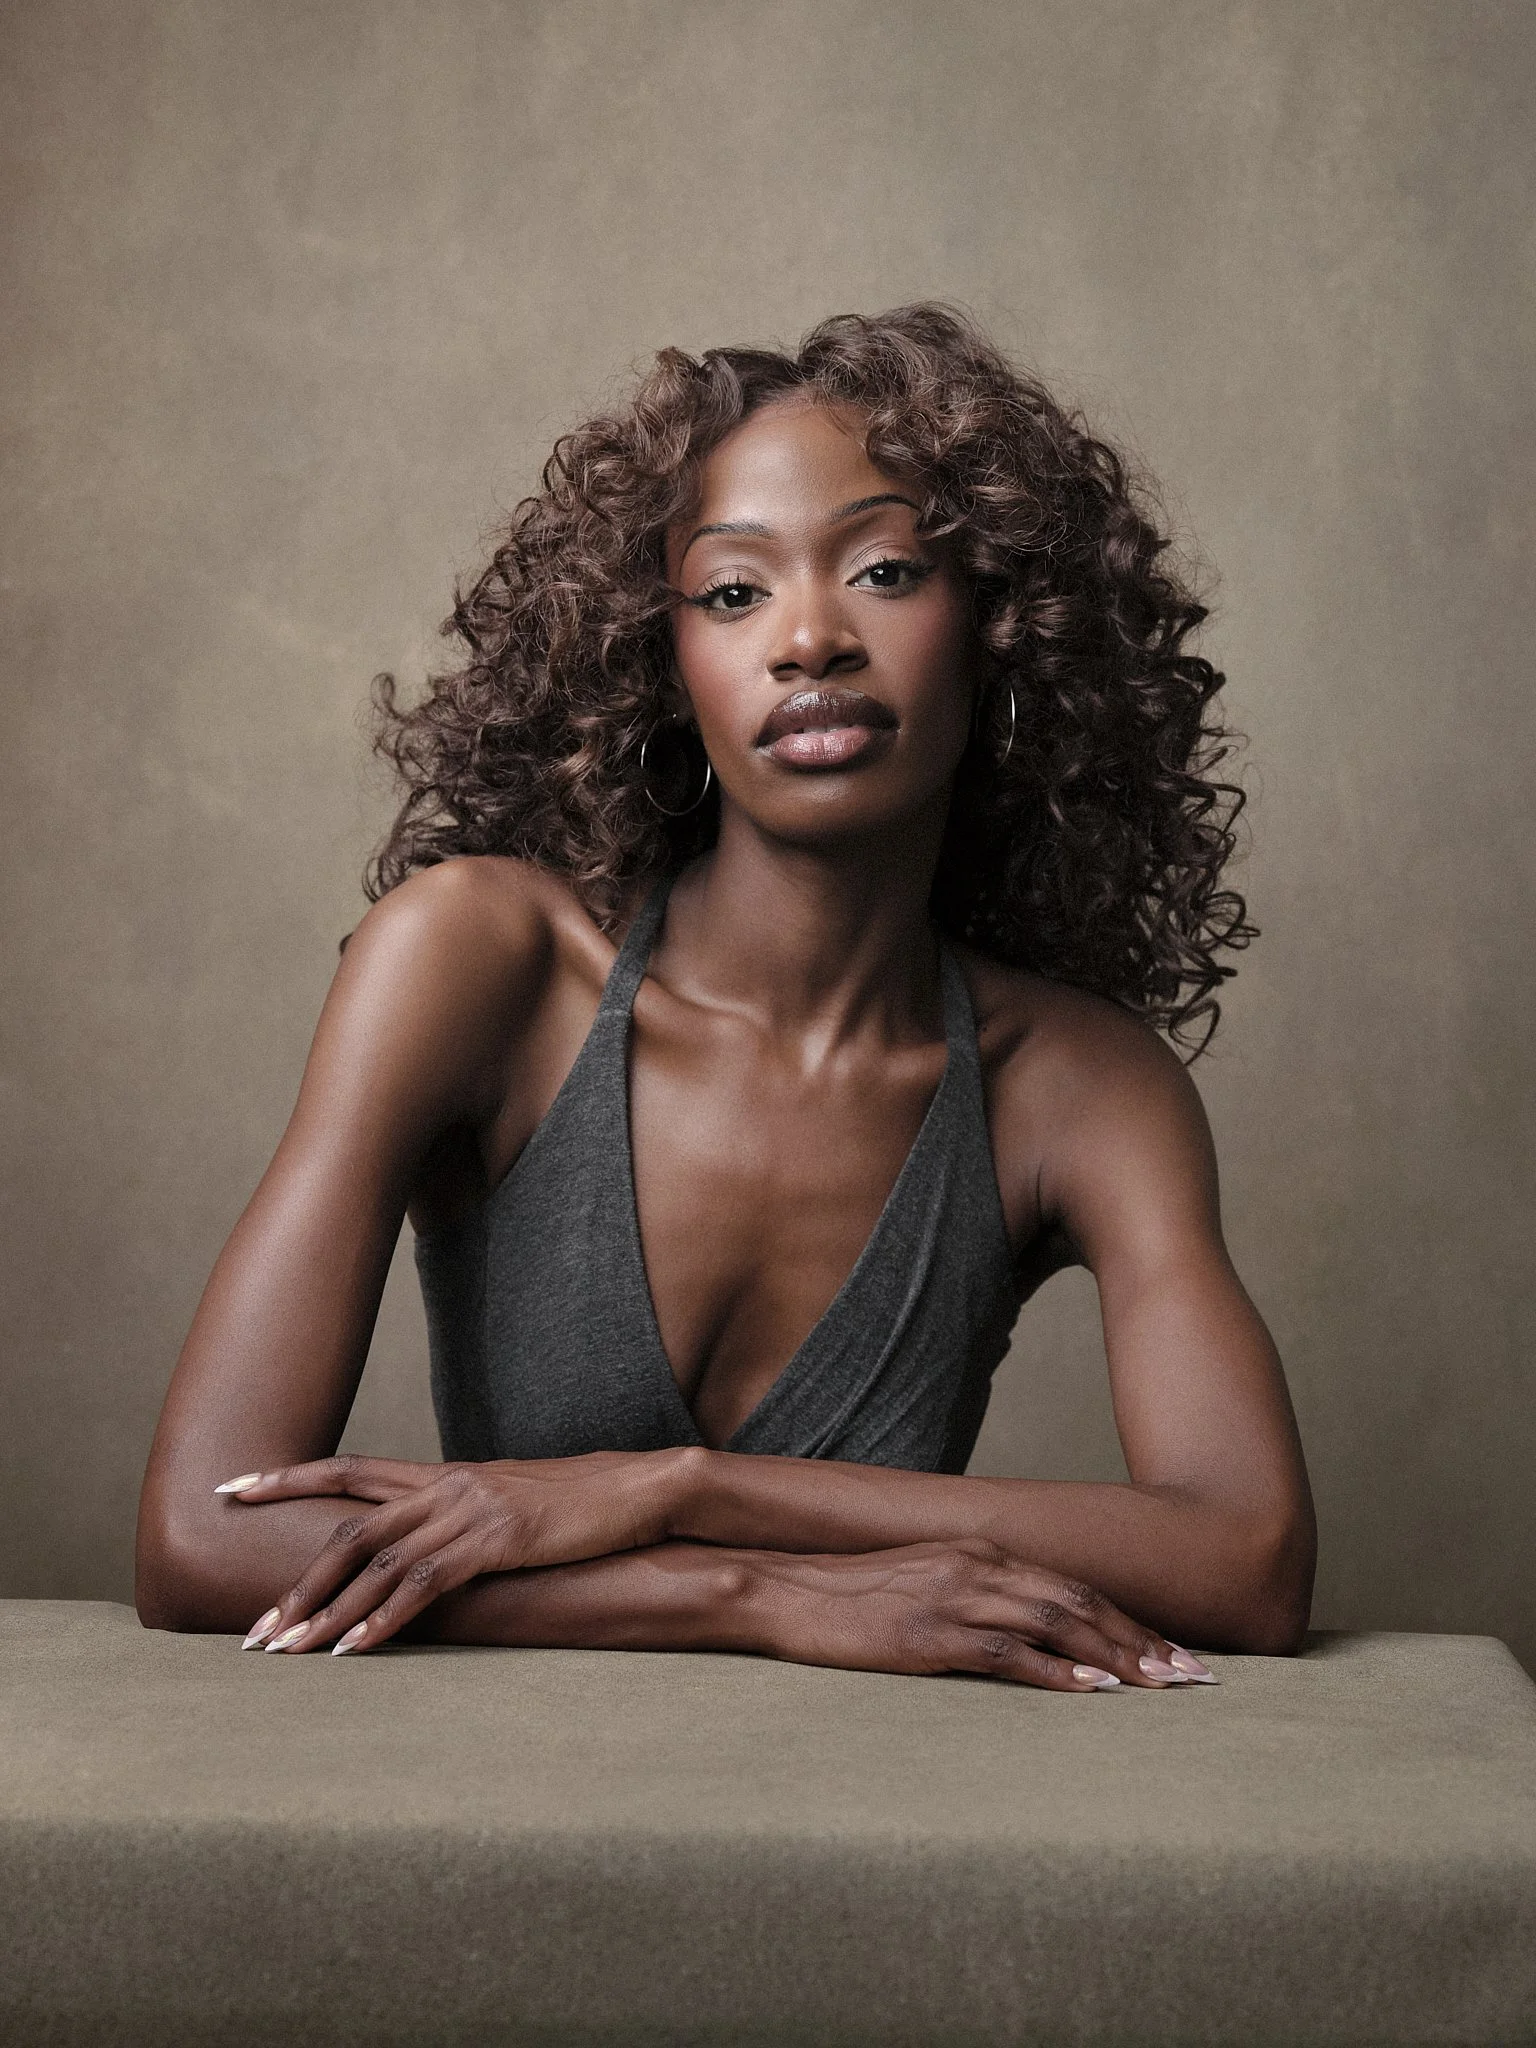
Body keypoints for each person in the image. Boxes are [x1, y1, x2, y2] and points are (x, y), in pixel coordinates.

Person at [135, 304, 1315, 1691]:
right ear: (660, 660)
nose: (810, 637)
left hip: (864, 1840)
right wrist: (750, 1593)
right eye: (736, 592)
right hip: (493, 1823)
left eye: (883, 570)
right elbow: (197, 1543)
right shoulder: (477, 963)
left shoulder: (1077, 1087)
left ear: (1003, 629)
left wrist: (687, 1488)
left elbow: (1248, 1557)